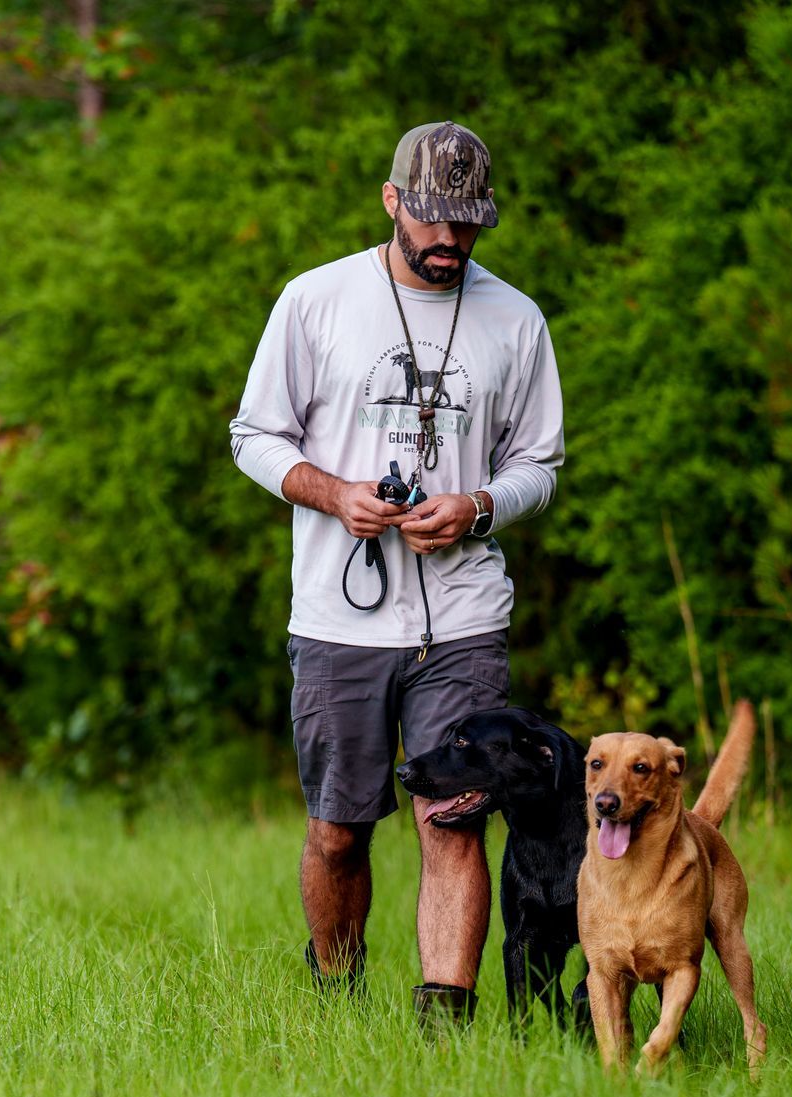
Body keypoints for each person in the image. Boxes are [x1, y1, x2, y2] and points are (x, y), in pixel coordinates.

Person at [227, 120, 565, 1029]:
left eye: (468, 224)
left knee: (451, 817)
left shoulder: (517, 318)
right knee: (340, 831)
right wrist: (335, 494)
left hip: (463, 617)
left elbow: (540, 462)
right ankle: (336, 999)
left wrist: (481, 505)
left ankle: (442, 1026)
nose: (449, 239)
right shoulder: (316, 300)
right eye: (433, 220)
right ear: (393, 202)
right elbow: (253, 437)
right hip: (339, 618)